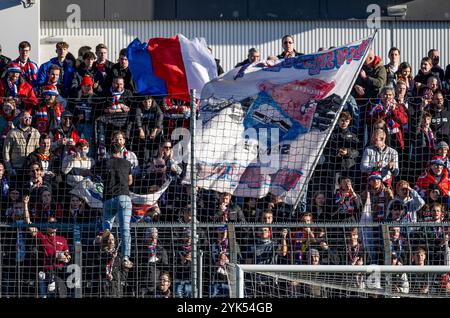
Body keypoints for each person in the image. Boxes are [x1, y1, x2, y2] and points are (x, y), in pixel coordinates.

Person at [23, 195, 71, 298]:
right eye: (50, 223)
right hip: (44, 272)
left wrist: (64, 258)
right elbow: (28, 223)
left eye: (54, 223)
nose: (53, 225)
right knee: (43, 295)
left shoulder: (62, 239)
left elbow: (68, 257)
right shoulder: (42, 236)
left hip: (58, 273)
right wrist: (25, 205)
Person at [97, 142, 134, 269]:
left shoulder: (105, 163)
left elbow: (94, 174)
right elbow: (130, 181)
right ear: (121, 150)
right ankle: (125, 257)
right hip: (123, 197)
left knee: (106, 227)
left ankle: (106, 251)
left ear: (108, 152)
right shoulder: (127, 163)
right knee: (125, 229)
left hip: (108, 199)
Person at [127, 95, 164, 165]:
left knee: (155, 150)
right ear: (142, 102)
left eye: (149, 102)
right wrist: (140, 129)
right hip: (144, 132)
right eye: (146, 102)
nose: (148, 104)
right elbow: (137, 118)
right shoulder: (139, 107)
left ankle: (154, 166)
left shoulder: (155, 106)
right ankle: (145, 167)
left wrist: (155, 130)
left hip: (154, 130)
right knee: (145, 152)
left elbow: (160, 116)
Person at [3, 111, 40, 178]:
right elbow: (6, 152)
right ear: (20, 119)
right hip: (16, 168)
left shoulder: (35, 132)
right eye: (25, 117)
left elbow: (38, 151)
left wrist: (39, 169)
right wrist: (9, 169)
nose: (28, 119)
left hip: (31, 169)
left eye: (30, 117)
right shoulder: (12, 133)